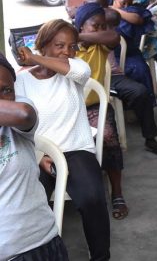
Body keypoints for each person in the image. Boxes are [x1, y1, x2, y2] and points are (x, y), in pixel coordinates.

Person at [14, 19, 111, 260]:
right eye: (59, 45)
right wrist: (38, 156)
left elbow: (75, 68)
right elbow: (20, 127)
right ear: (43, 45)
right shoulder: (22, 82)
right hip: (39, 154)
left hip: (75, 149)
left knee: (92, 199)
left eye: (72, 46)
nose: (67, 51)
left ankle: (101, 256)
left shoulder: (75, 70)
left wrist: (34, 59)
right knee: (28, 203)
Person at [0, 54, 69, 260]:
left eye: (6, 90)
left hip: (33, 246)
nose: (3, 98)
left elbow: (23, 114)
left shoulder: (18, 115)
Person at [74, 2, 132, 220]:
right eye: (95, 26)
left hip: (93, 106)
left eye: (102, 26)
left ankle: (116, 192)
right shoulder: (67, 47)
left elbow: (113, 38)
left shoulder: (100, 44)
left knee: (108, 138)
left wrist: (82, 36)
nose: (101, 30)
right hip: (68, 107)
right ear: (80, 25)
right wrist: (74, 39)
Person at [105, 7, 157, 159]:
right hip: (89, 79)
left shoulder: (108, 34)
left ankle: (150, 140)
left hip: (112, 76)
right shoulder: (77, 36)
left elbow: (111, 38)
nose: (104, 28)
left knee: (141, 92)